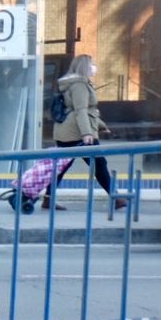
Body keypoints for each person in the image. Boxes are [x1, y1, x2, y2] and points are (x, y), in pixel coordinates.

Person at [45, 54, 129, 211]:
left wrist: (101, 125)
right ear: (84, 67)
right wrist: (86, 133)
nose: (94, 67)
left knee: (63, 166)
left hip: (67, 131)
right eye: (92, 64)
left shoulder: (73, 84)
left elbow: (88, 111)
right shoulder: (79, 85)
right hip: (77, 132)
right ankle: (116, 198)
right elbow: (81, 111)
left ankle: (47, 199)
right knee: (99, 164)